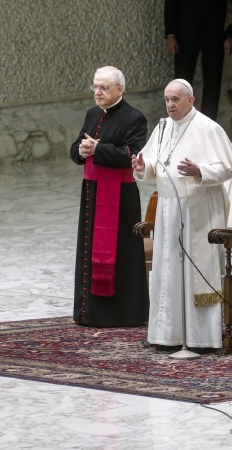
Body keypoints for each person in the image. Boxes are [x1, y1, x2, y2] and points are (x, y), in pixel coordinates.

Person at [132, 79, 232, 353]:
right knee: (168, 270)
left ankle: (201, 339)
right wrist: (144, 165)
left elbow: (226, 168)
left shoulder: (208, 128)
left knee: (196, 271)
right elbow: (155, 163)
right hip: (169, 209)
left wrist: (199, 170)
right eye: (167, 99)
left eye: (176, 99)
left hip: (199, 210)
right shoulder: (164, 126)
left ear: (190, 100)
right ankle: (168, 335)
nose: (170, 105)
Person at [69, 66, 149, 328]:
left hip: (121, 199)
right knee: (89, 250)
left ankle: (123, 313)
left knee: (122, 252)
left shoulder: (134, 118)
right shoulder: (93, 114)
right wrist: (81, 150)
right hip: (92, 194)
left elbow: (132, 155)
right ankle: (89, 312)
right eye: (95, 86)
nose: (98, 92)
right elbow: (76, 148)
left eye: (104, 87)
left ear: (120, 89)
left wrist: (97, 149)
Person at [164, 0, 228, 121]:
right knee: (182, 83)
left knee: (213, 82)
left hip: (215, 32)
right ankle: (179, 122)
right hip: (185, 32)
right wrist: (170, 34)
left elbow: (229, 6)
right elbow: (171, 4)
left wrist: (230, 34)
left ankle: (208, 124)